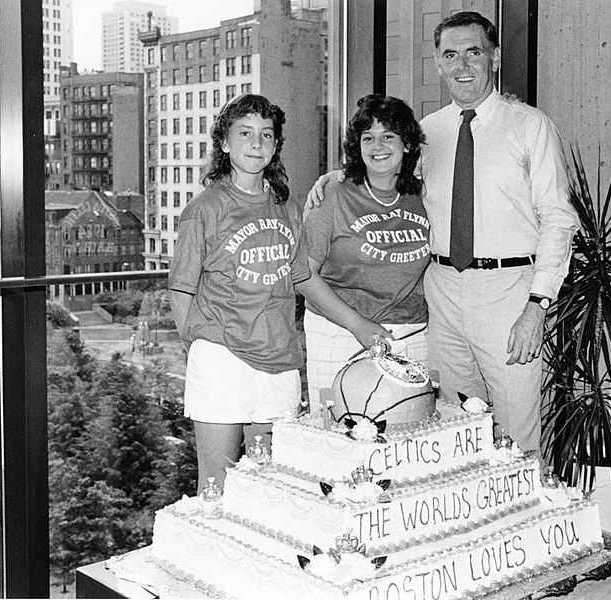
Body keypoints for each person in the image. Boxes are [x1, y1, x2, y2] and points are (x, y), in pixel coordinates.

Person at [308, 12, 579, 452]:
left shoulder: (530, 125)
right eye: (450, 55)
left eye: (474, 52)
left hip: (510, 293)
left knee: (518, 435)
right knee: (454, 430)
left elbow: (559, 219)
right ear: (437, 63)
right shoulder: (428, 133)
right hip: (444, 295)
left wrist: (537, 305)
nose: (462, 65)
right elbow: (387, 168)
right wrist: (339, 176)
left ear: (492, 59)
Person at [169, 94, 373, 491]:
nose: (256, 144)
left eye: (266, 135)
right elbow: (181, 290)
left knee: (270, 486)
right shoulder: (204, 209)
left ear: (276, 145)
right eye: (244, 133)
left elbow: (304, 279)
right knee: (217, 484)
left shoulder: (288, 207)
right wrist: (200, 348)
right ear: (224, 142)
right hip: (222, 359)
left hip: (279, 360)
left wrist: (359, 324)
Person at [303, 94, 429, 413]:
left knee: (407, 436)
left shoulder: (427, 195)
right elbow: (302, 274)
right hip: (339, 331)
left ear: (408, 144)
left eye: (388, 136)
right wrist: (357, 324)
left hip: (412, 334)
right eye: (368, 137)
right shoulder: (333, 195)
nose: (378, 146)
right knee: (337, 435)